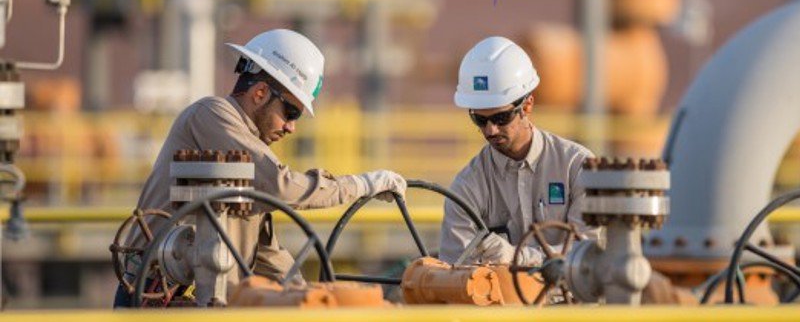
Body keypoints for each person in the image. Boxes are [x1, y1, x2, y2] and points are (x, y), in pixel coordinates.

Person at [114, 29, 405, 306]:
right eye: (290, 112)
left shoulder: (243, 155)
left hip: (198, 300)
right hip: (153, 295)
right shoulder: (212, 115)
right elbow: (281, 186)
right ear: (260, 93)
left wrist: (306, 298)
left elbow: (264, 251)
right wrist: (363, 185)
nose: (291, 127)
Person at [439, 36, 600, 266]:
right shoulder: (467, 187)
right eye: (479, 119)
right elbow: (454, 272)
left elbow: (587, 254)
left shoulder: (577, 166)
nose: (490, 130)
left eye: (501, 117)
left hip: (568, 300)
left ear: (527, 105)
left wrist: (519, 258)